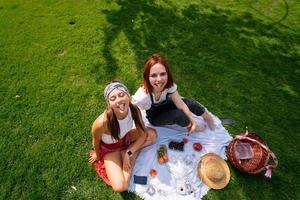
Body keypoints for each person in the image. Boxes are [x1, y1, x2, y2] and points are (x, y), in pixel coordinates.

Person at [89, 81, 157, 192]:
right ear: (109, 104)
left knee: (152, 135)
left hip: (126, 138)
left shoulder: (134, 110)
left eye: (121, 95)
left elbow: (143, 134)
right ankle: (127, 155)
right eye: (113, 98)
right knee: (121, 187)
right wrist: (97, 154)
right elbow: (96, 140)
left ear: (128, 95)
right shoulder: (102, 123)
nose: (119, 100)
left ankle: (127, 153)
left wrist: (128, 153)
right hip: (110, 149)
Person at [132, 53, 215, 134]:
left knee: (190, 103)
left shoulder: (168, 84)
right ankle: (191, 126)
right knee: (179, 115)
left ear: (168, 74)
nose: (159, 79)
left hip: (166, 106)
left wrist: (193, 120)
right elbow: (134, 114)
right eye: (154, 75)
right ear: (147, 77)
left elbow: (179, 103)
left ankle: (208, 117)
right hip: (156, 117)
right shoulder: (142, 97)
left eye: (163, 74)